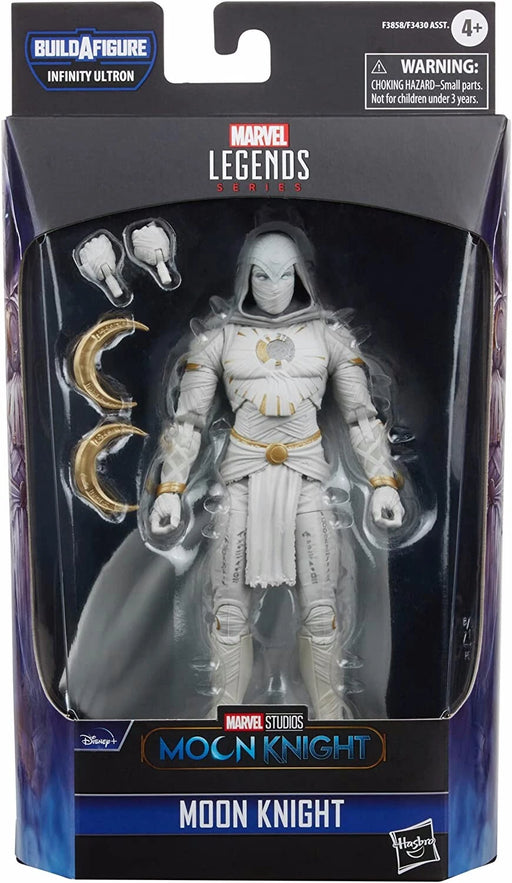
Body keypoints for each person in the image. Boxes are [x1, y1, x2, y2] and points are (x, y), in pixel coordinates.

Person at [147, 222, 404, 719]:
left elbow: (361, 416)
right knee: (227, 609)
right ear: (246, 276)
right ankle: (226, 715)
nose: (273, 286)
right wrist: (170, 489)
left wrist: (382, 483)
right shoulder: (218, 340)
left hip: (308, 479)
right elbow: (189, 420)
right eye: (262, 276)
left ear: (300, 275)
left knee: (322, 606)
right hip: (241, 481)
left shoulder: (330, 338)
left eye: (284, 274)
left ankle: (330, 716)